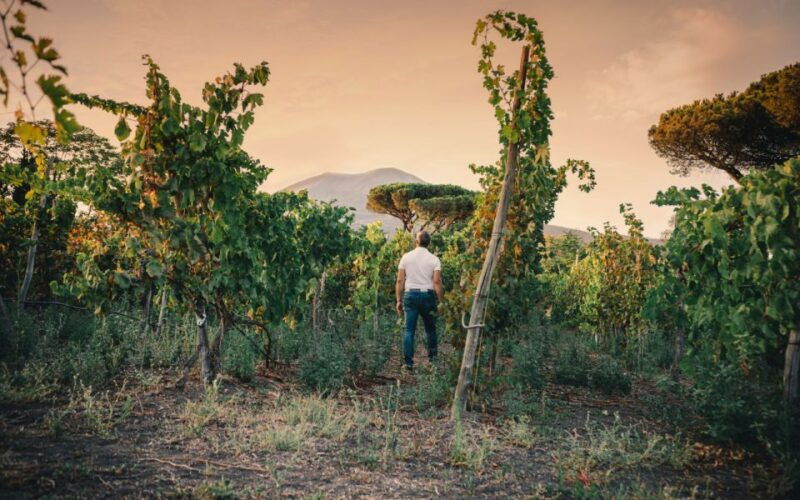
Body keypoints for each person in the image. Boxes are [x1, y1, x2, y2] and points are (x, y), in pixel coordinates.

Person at [395, 230, 444, 371]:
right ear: (429, 243)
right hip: (427, 296)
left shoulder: (406, 257)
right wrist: (441, 301)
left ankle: (408, 363)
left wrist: (398, 300)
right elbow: (436, 281)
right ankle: (433, 362)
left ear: (416, 241)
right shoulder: (434, 259)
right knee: (431, 330)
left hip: (410, 295)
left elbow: (399, 280)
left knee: (409, 330)